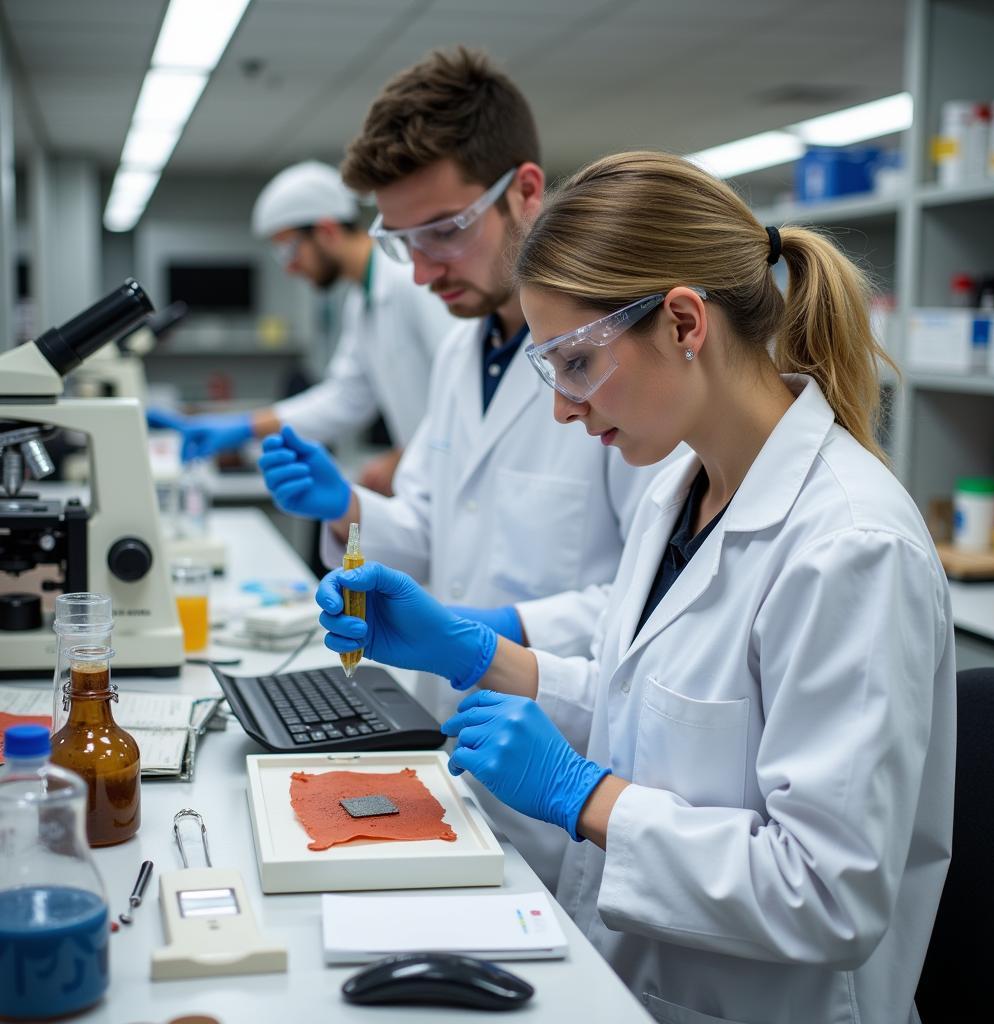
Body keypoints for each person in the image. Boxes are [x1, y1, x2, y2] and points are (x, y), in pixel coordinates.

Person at [313, 151, 956, 1024]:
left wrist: (588, 798)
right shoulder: (680, 488)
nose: (563, 408)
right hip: (628, 976)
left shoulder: (850, 546)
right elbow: (648, 707)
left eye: (575, 363)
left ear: (685, 322)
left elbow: (828, 893)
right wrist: (479, 653)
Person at [258, 51, 672, 889]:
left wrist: (500, 629)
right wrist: (349, 503)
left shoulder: (625, 368)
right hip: (458, 743)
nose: (422, 270)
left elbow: (653, 601)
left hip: (569, 762)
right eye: (402, 241)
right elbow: (431, 527)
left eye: (444, 230)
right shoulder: (459, 352)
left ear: (526, 190)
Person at [149, 160, 453, 495]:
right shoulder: (361, 300)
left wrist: (404, 458)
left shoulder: (410, 280)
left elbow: (462, 390)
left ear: (326, 231)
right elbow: (345, 398)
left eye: (289, 249)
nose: (290, 267)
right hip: (429, 482)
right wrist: (242, 426)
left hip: (451, 478)